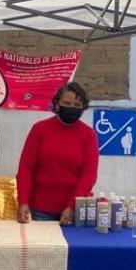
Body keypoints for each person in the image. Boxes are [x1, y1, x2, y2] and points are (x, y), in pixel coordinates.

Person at [16, 82, 99, 226]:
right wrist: (23, 202)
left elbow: (89, 175)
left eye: (77, 105)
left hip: (74, 211)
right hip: (40, 211)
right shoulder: (39, 130)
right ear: (57, 104)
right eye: (67, 103)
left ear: (83, 108)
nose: (71, 107)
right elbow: (25, 169)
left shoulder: (88, 135)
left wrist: (71, 206)